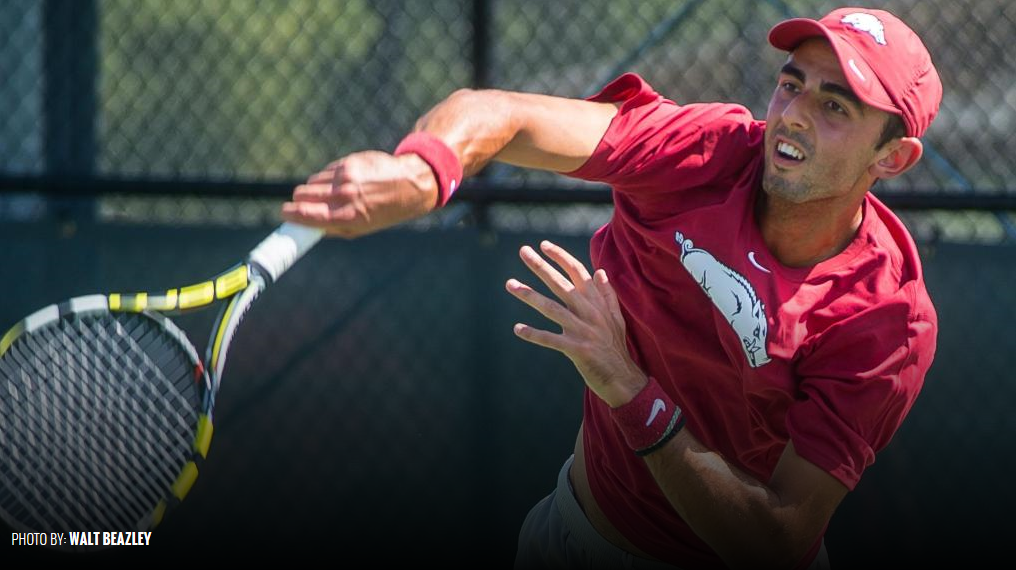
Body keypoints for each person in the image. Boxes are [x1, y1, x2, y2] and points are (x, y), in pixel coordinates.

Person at [281, 6, 942, 569]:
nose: (794, 115)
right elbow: (501, 114)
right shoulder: (700, 152)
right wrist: (426, 170)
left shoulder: (886, 322)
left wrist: (627, 387)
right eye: (791, 85)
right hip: (575, 535)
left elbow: (776, 539)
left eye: (834, 106)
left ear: (892, 157)